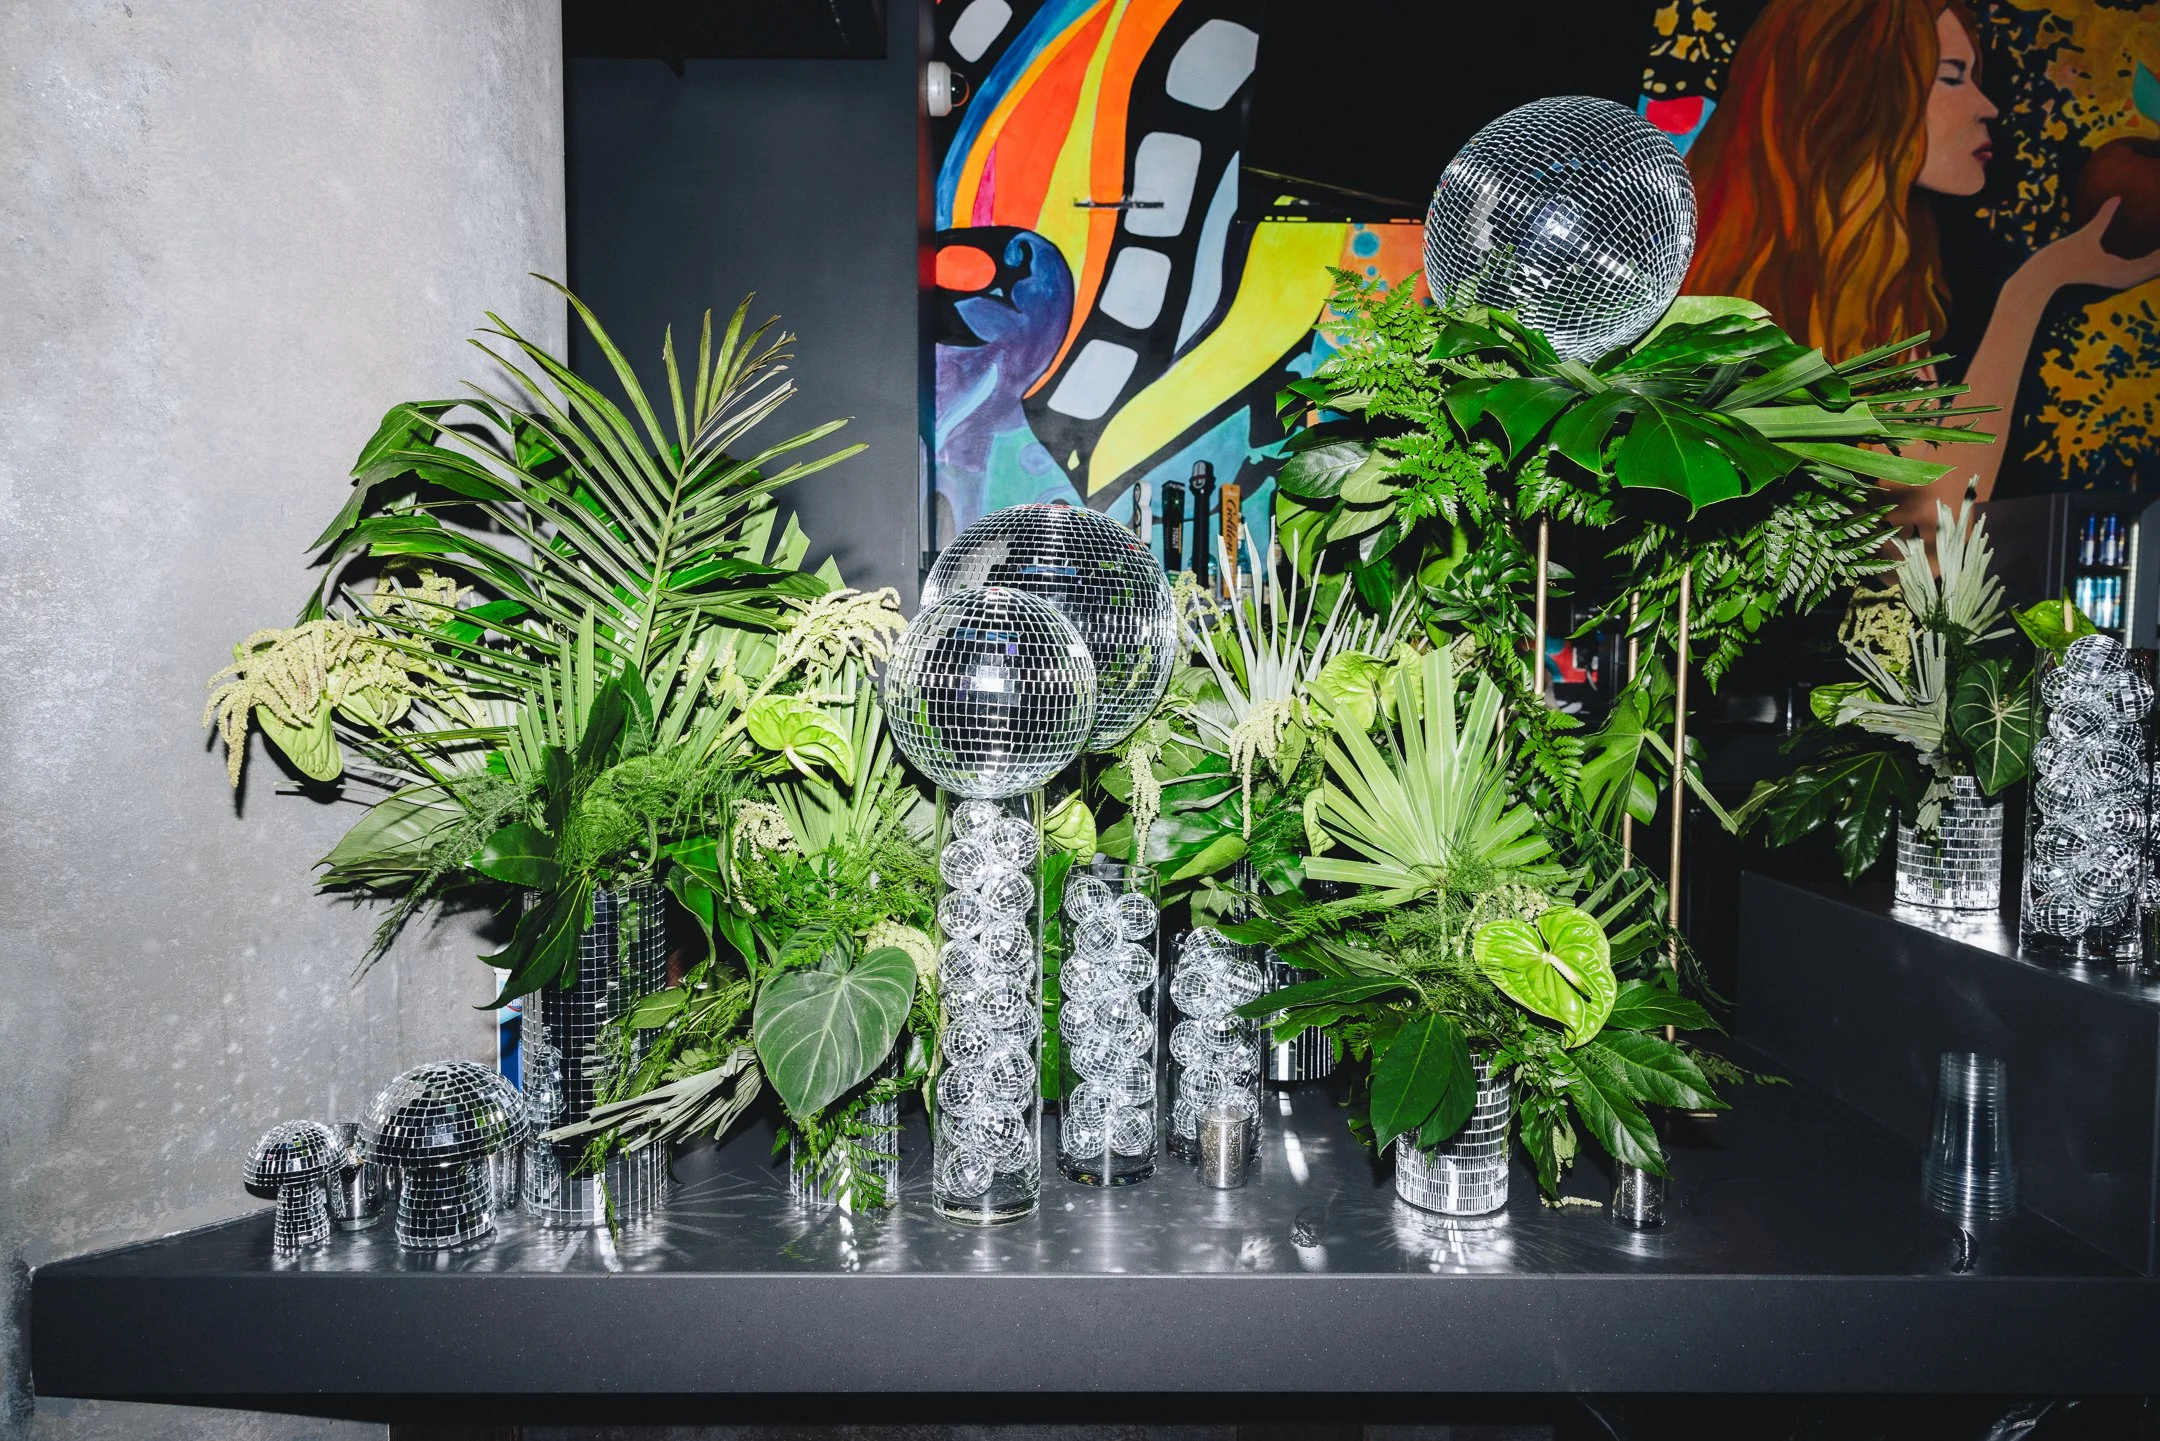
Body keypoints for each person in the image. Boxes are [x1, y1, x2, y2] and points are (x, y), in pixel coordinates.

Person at [1682, 0, 2160, 532]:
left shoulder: (1882, 279)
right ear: (1861, 91)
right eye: (1953, 77)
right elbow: (1927, 529)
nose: (1988, 107)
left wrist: (2042, 280)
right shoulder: (1742, 305)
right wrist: (2032, 289)